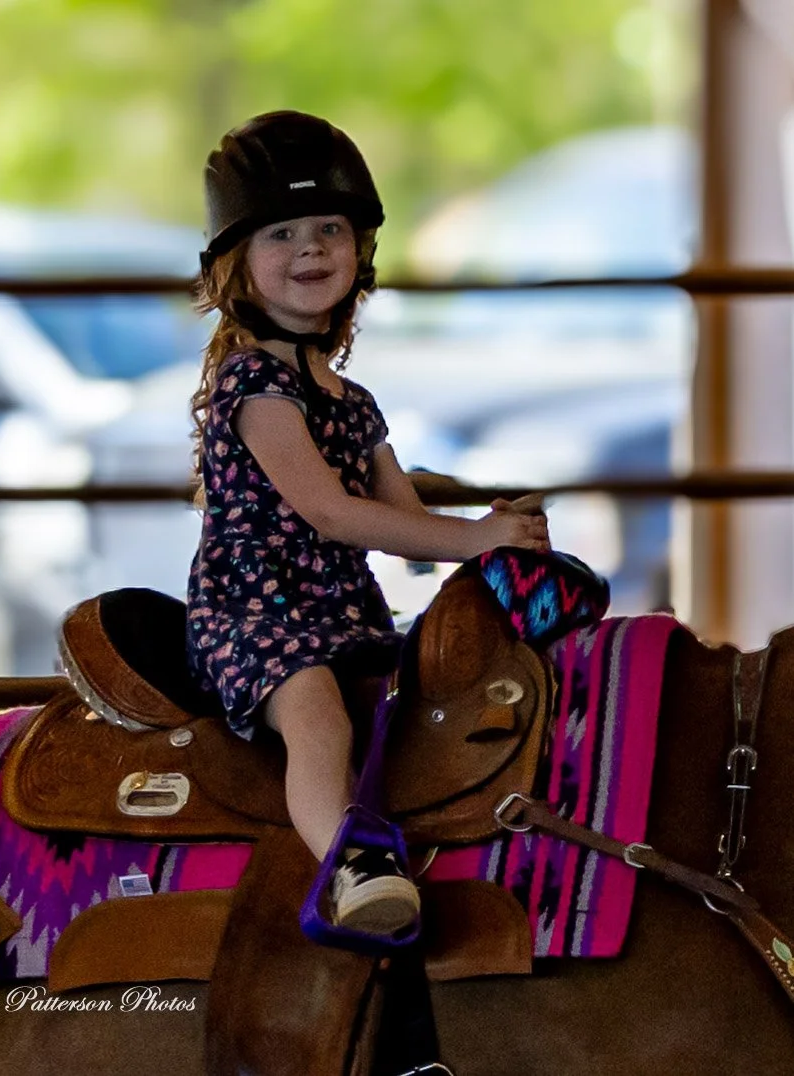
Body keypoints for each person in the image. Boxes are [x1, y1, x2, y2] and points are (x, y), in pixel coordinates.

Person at [186, 111, 550, 937]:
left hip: (342, 615)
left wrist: (491, 535)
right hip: (257, 615)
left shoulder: (355, 403)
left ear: (360, 253)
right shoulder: (254, 387)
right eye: (281, 233)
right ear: (236, 266)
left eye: (329, 230)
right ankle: (353, 863)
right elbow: (331, 512)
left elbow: (405, 520)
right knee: (314, 709)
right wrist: (469, 539)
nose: (311, 249)